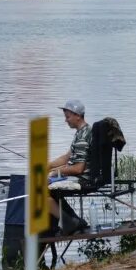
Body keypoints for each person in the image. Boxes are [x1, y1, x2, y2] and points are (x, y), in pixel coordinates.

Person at [47, 99, 91, 235]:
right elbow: (67, 156)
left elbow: (78, 168)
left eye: (68, 117)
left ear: (78, 116)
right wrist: (48, 165)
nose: (66, 120)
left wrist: (56, 172)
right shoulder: (82, 131)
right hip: (80, 175)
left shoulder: (83, 136)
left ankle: (69, 222)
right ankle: (73, 220)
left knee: (38, 190)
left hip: (83, 178)